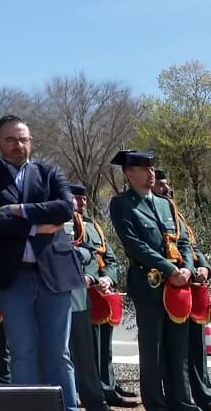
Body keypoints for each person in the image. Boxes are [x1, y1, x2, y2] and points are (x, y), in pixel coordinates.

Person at [0, 114, 82, 411]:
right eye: (10, 139)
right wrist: (35, 227)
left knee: (59, 353)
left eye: (23, 139)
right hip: (13, 276)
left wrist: (18, 209)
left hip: (55, 274)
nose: (18, 145)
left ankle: (67, 407)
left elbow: (65, 208)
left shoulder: (50, 173)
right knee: (23, 352)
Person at [108, 150, 206, 411]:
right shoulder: (122, 204)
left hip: (178, 285)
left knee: (179, 347)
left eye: (152, 169)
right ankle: (156, 403)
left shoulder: (165, 204)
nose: (151, 174)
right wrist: (169, 269)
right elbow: (134, 244)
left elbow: (183, 241)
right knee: (153, 348)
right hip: (149, 283)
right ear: (129, 174)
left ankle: (181, 401)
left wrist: (186, 269)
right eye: (144, 170)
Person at [66, 185, 118, 411]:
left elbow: (93, 253)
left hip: (84, 295)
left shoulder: (85, 224)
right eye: (75, 198)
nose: (79, 203)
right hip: (50, 292)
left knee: (90, 352)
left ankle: (98, 397)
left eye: (81, 199)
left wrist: (96, 277)